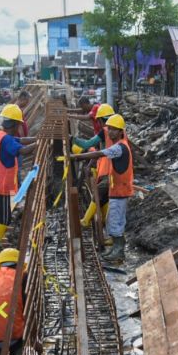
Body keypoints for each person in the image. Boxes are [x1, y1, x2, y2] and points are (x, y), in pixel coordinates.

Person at [70, 114, 133, 262]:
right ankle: (116, 250)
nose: (110, 132)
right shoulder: (120, 145)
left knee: (115, 221)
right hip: (117, 190)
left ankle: (118, 252)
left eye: (113, 130)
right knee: (114, 221)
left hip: (120, 191)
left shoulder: (119, 147)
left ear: (120, 131)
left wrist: (76, 157)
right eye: (109, 129)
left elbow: (99, 153)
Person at [0, 104, 38, 242]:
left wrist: (37, 139)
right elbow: (22, 150)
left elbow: (21, 141)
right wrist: (41, 144)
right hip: (0, 188)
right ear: (16, 124)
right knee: (4, 219)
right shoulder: (6, 140)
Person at [71, 103, 115, 228]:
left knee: (98, 196)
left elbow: (87, 144)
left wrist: (73, 139)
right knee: (105, 198)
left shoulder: (105, 132)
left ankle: (85, 220)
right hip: (115, 172)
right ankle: (104, 224)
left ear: (101, 120)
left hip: (108, 172)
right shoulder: (119, 131)